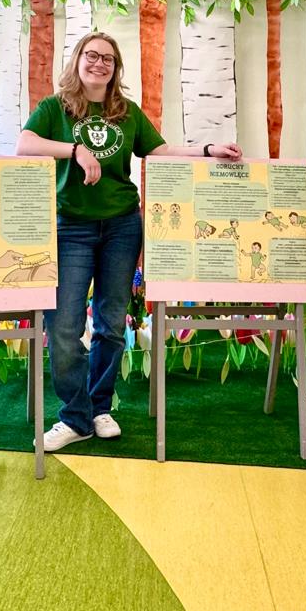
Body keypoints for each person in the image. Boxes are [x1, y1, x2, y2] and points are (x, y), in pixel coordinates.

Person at [18, 31, 241, 451]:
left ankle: (99, 409)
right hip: (71, 229)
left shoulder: (126, 112)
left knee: (111, 323)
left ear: (116, 68)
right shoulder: (55, 107)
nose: (99, 63)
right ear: (77, 60)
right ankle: (75, 416)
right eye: (92, 55)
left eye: (108, 59)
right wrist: (76, 149)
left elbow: (159, 151)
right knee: (64, 327)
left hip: (121, 227)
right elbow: (24, 144)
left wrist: (208, 149)